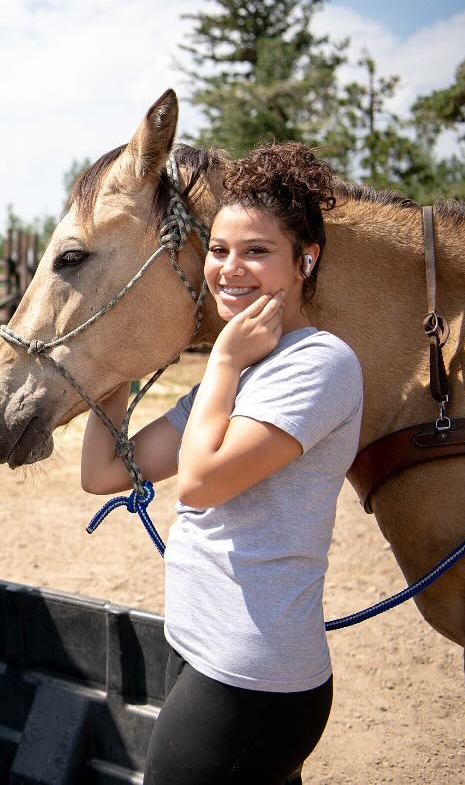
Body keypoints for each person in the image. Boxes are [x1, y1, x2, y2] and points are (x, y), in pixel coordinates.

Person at [80, 144, 363, 784]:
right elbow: (103, 472)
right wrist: (115, 360)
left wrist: (227, 363)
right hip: (200, 649)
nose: (229, 269)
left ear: (305, 260)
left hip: (254, 677)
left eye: (257, 250)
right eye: (218, 249)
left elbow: (201, 483)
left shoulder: (320, 364)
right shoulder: (225, 380)